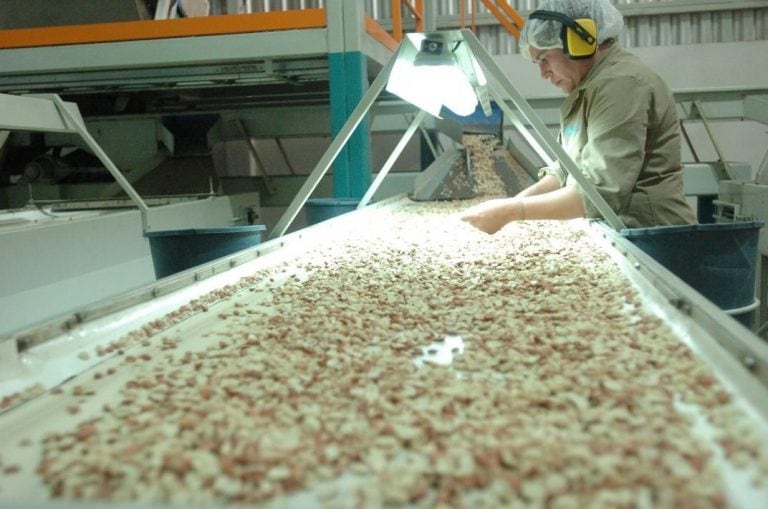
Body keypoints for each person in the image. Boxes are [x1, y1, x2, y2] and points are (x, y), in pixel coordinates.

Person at [460, 0, 696, 234]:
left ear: (580, 41)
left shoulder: (622, 85)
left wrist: (512, 212)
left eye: (545, 59)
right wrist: (513, 205)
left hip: (653, 238)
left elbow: (599, 193)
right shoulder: (590, 87)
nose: (543, 73)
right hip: (621, 228)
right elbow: (565, 171)